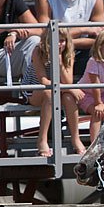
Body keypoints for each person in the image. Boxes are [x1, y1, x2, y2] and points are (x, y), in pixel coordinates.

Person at [35, 0, 104, 79]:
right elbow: (47, 37)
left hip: (82, 51)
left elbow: (103, 38)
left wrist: (69, 42)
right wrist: (83, 29)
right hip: (55, 52)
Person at [21, 27, 85, 157]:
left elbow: (68, 81)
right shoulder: (38, 51)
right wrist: (71, 88)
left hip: (58, 88)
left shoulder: (69, 54)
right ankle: (42, 140)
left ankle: (75, 138)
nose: (59, 44)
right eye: (55, 41)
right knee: (50, 93)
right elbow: (43, 81)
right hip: (35, 89)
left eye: (62, 41)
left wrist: (60, 62)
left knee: (69, 97)